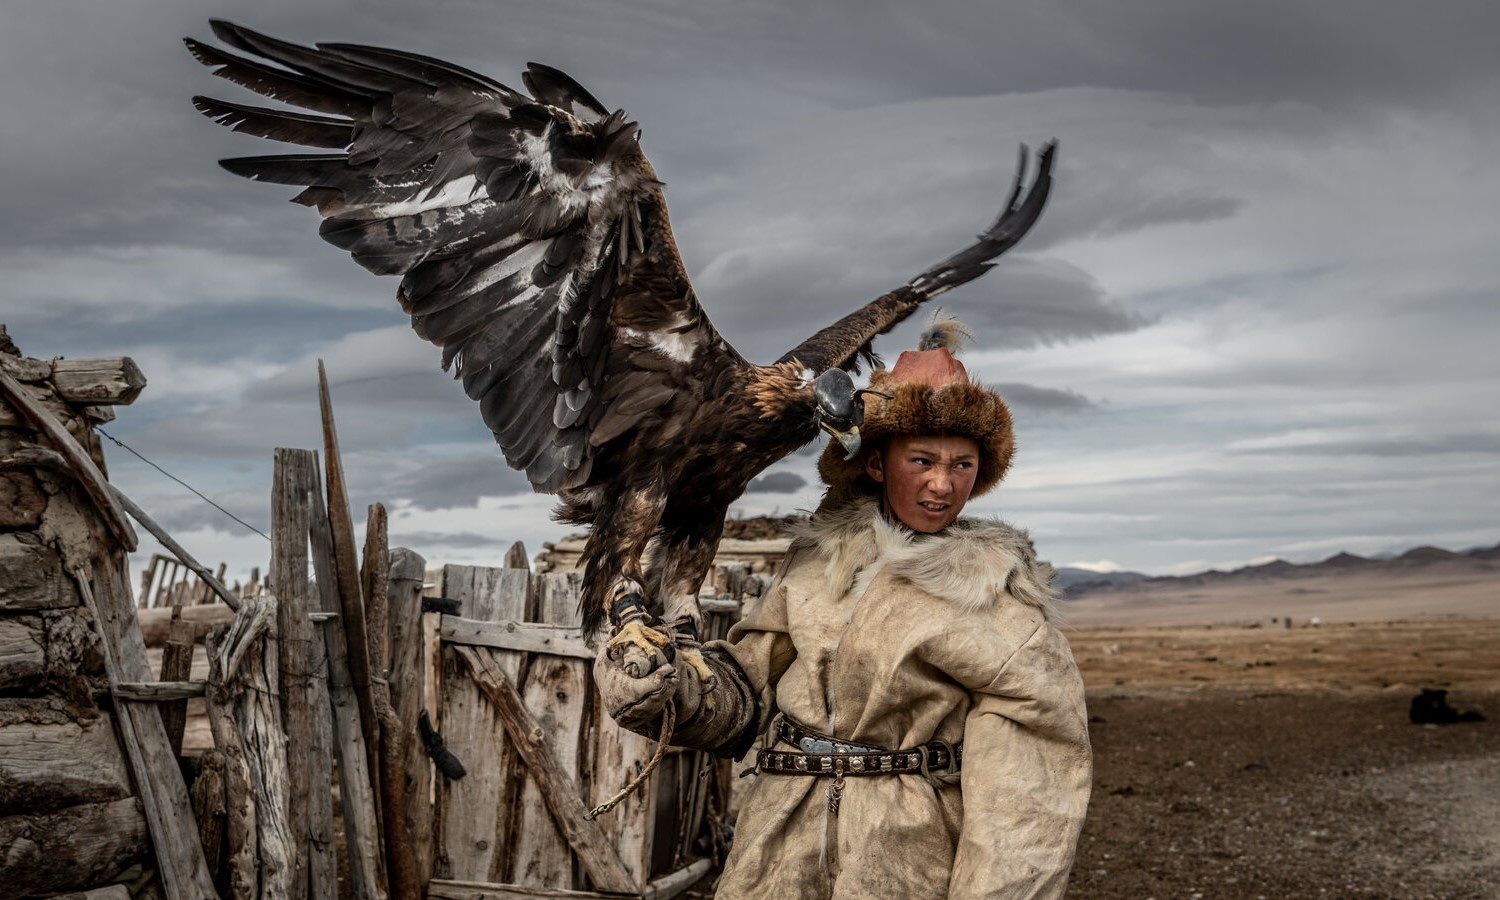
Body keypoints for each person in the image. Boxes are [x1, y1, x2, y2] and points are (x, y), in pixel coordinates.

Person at [595, 325, 1092, 898]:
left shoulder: (997, 602)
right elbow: (746, 693)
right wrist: (672, 691)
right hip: (773, 857)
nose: (942, 484)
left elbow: (1028, 804)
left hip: (904, 862)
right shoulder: (815, 567)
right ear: (876, 464)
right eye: (922, 460)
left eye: (962, 465)